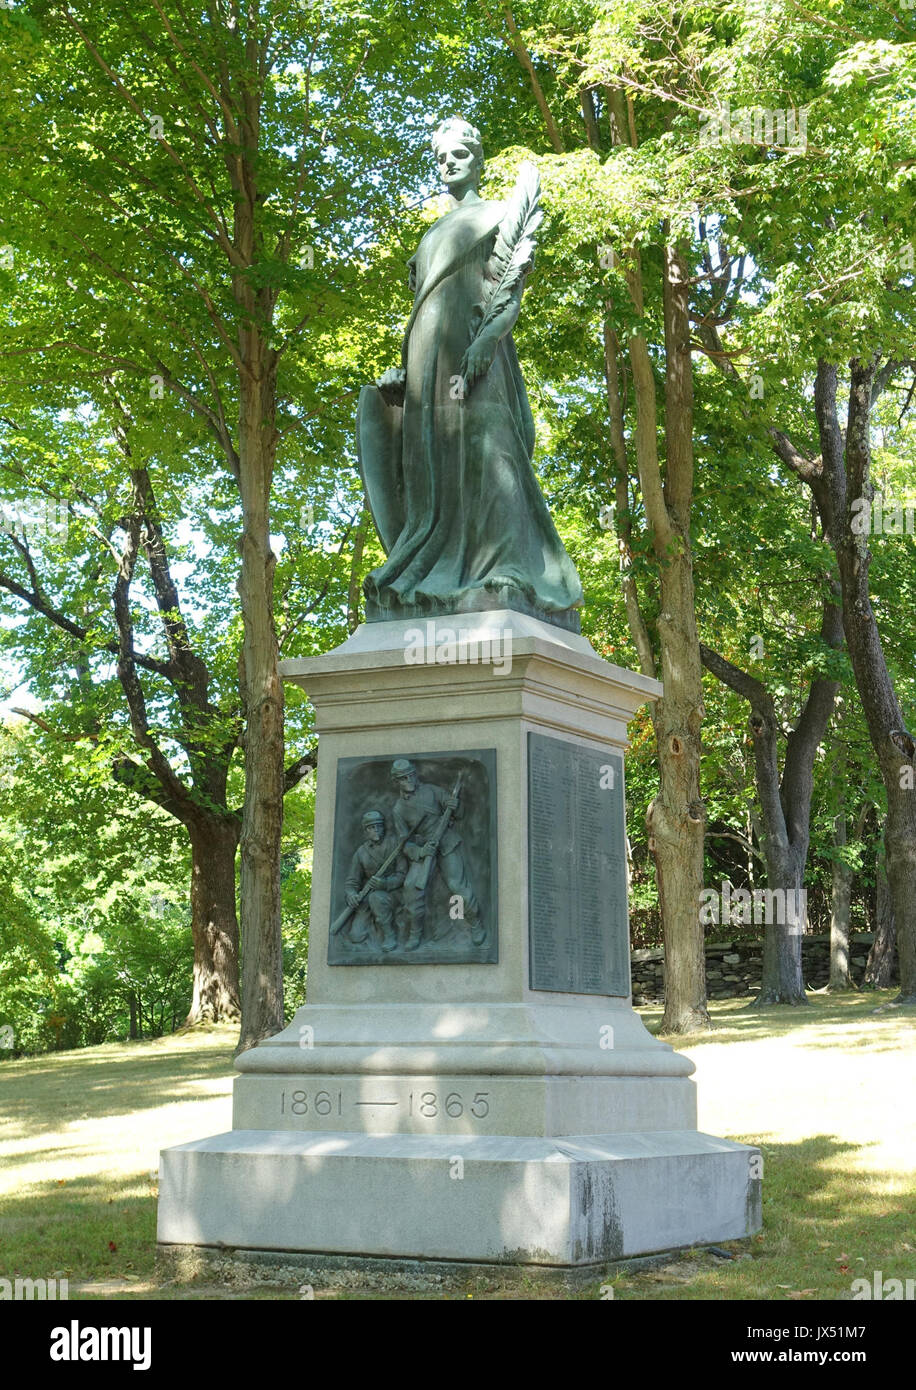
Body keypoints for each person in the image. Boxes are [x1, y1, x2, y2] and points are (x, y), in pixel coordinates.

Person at [357, 117, 583, 631]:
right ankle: (434, 570)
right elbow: (422, 310)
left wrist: (486, 340)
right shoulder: (430, 234)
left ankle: (504, 568)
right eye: (440, 157)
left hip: (478, 357)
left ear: (478, 159)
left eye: (459, 153)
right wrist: (402, 369)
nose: (449, 163)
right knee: (432, 464)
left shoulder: (500, 215)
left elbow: (509, 291)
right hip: (427, 364)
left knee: (490, 449)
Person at [390, 758, 485, 951]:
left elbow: (458, 814)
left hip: (447, 842)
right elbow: (404, 843)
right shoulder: (399, 809)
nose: (409, 779)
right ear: (396, 781)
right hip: (425, 849)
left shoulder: (432, 791)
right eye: (403, 778)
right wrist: (420, 851)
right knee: (411, 887)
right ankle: (415, 935)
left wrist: (455, 805)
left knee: (457, 885)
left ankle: (475, 924)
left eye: (411, 775)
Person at [344, 810, 406, 952]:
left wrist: (385, 884)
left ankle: (389, 935)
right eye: (372, 827)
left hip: (395, 893)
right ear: (366, 831)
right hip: (368, 897)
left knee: (376, 898)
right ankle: (375, 927)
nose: (376, 830)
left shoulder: (395, 845)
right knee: (356, 936)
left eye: (379, 826)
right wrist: (351, 894)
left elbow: (403, 874)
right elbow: (351, 882)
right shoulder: (361, 852)